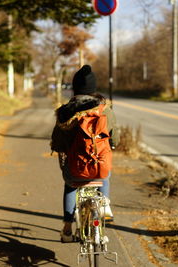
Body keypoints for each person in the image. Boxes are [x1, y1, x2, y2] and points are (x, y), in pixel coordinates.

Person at [51, 65, 119, 242]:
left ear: (75, 87)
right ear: (93, 88)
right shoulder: (104, 110)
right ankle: (104, 205)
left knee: (70, 186)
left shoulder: (66, 112)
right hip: (98, 166)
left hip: (75, 168)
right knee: (105, 174)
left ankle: (67, 228)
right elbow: (114, 139)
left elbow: (57, 142)